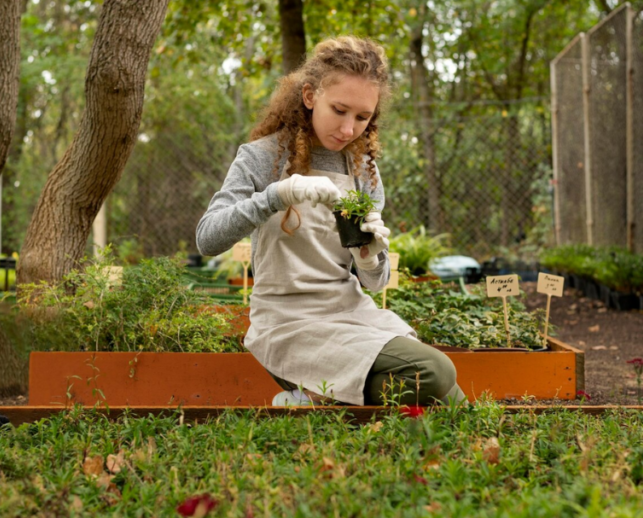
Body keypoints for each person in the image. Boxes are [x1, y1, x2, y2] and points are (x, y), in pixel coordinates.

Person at [196, 36, 466, 407]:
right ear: (309, 96)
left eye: (362, 117)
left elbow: (375, 283)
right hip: (289, 323)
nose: (349, 128)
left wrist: (371, 256)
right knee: (435, 374)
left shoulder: (363, 171)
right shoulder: (261, 158)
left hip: (348, 313)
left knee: (452, 401)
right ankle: (320, 395)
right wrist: (276, 196)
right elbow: (207, 238)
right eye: (339, 110)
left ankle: (317, 399)